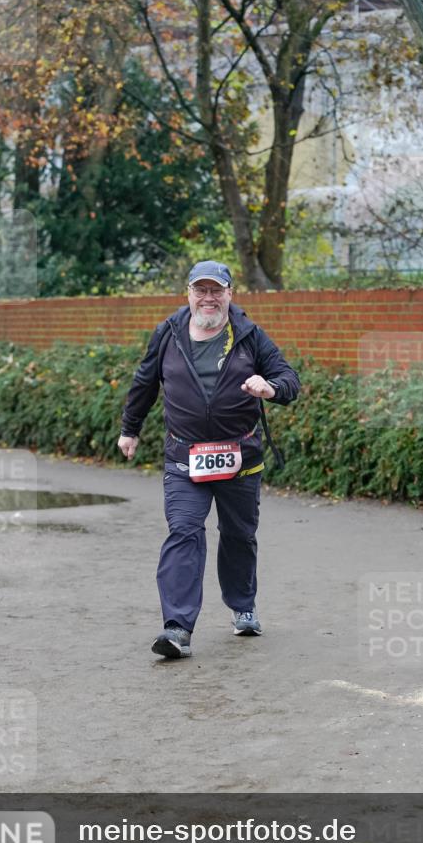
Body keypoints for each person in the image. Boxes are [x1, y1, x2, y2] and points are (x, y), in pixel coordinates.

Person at [118, 260, 300, 659]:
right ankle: (177, 628)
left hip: (240, 457)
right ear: (188, 294)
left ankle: (242, 606)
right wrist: (130, 429)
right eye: (200, 290)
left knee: (238, 535)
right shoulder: (168, 333)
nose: (208, 298)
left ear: (230, 294)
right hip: (185, 457)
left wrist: (269, 387)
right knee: (184, 531)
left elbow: (290, 380)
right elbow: (144, 383)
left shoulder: (250, 336)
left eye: (216, 290)